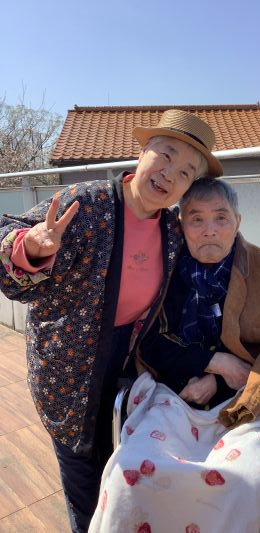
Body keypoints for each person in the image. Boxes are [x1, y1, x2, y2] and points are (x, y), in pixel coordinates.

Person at [0, 110, 223, 533]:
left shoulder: (172, 230)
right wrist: (31, 248)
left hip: (130, 366)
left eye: (186, 172)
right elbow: (9, 243)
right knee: (86, 489)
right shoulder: (86, 204)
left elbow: (217, 248)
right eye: (166, 155)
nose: (170, 174)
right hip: (68, 369)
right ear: (143, 151)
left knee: (124, 475)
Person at [89, 177, 260, 533]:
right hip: (173, 394)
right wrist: (212, 362)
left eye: (221, 218)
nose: (209, 230)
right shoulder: (163, 270)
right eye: (197, 219)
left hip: (244, 400)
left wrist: (220, 380)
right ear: (181, 225)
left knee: (246, 481)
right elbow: (147, 341)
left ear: (237, 222)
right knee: (127, 474)